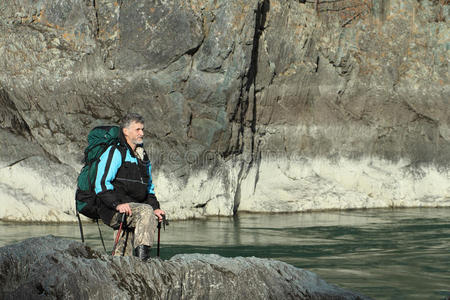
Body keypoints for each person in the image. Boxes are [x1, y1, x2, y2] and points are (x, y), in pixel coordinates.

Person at [94, 112, 165, 261]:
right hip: (112, 209)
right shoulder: (115, 152)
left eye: (142, 129)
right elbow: (101, 183)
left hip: (134, 210)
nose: (142, 133)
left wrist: (156, 208)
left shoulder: (143, 156)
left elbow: (149, 190)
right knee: (146, 211)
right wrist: (117, 204)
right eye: (138, 129)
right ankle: (143, 261)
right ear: (126, 131)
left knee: (122, 258)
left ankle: (123, 267)